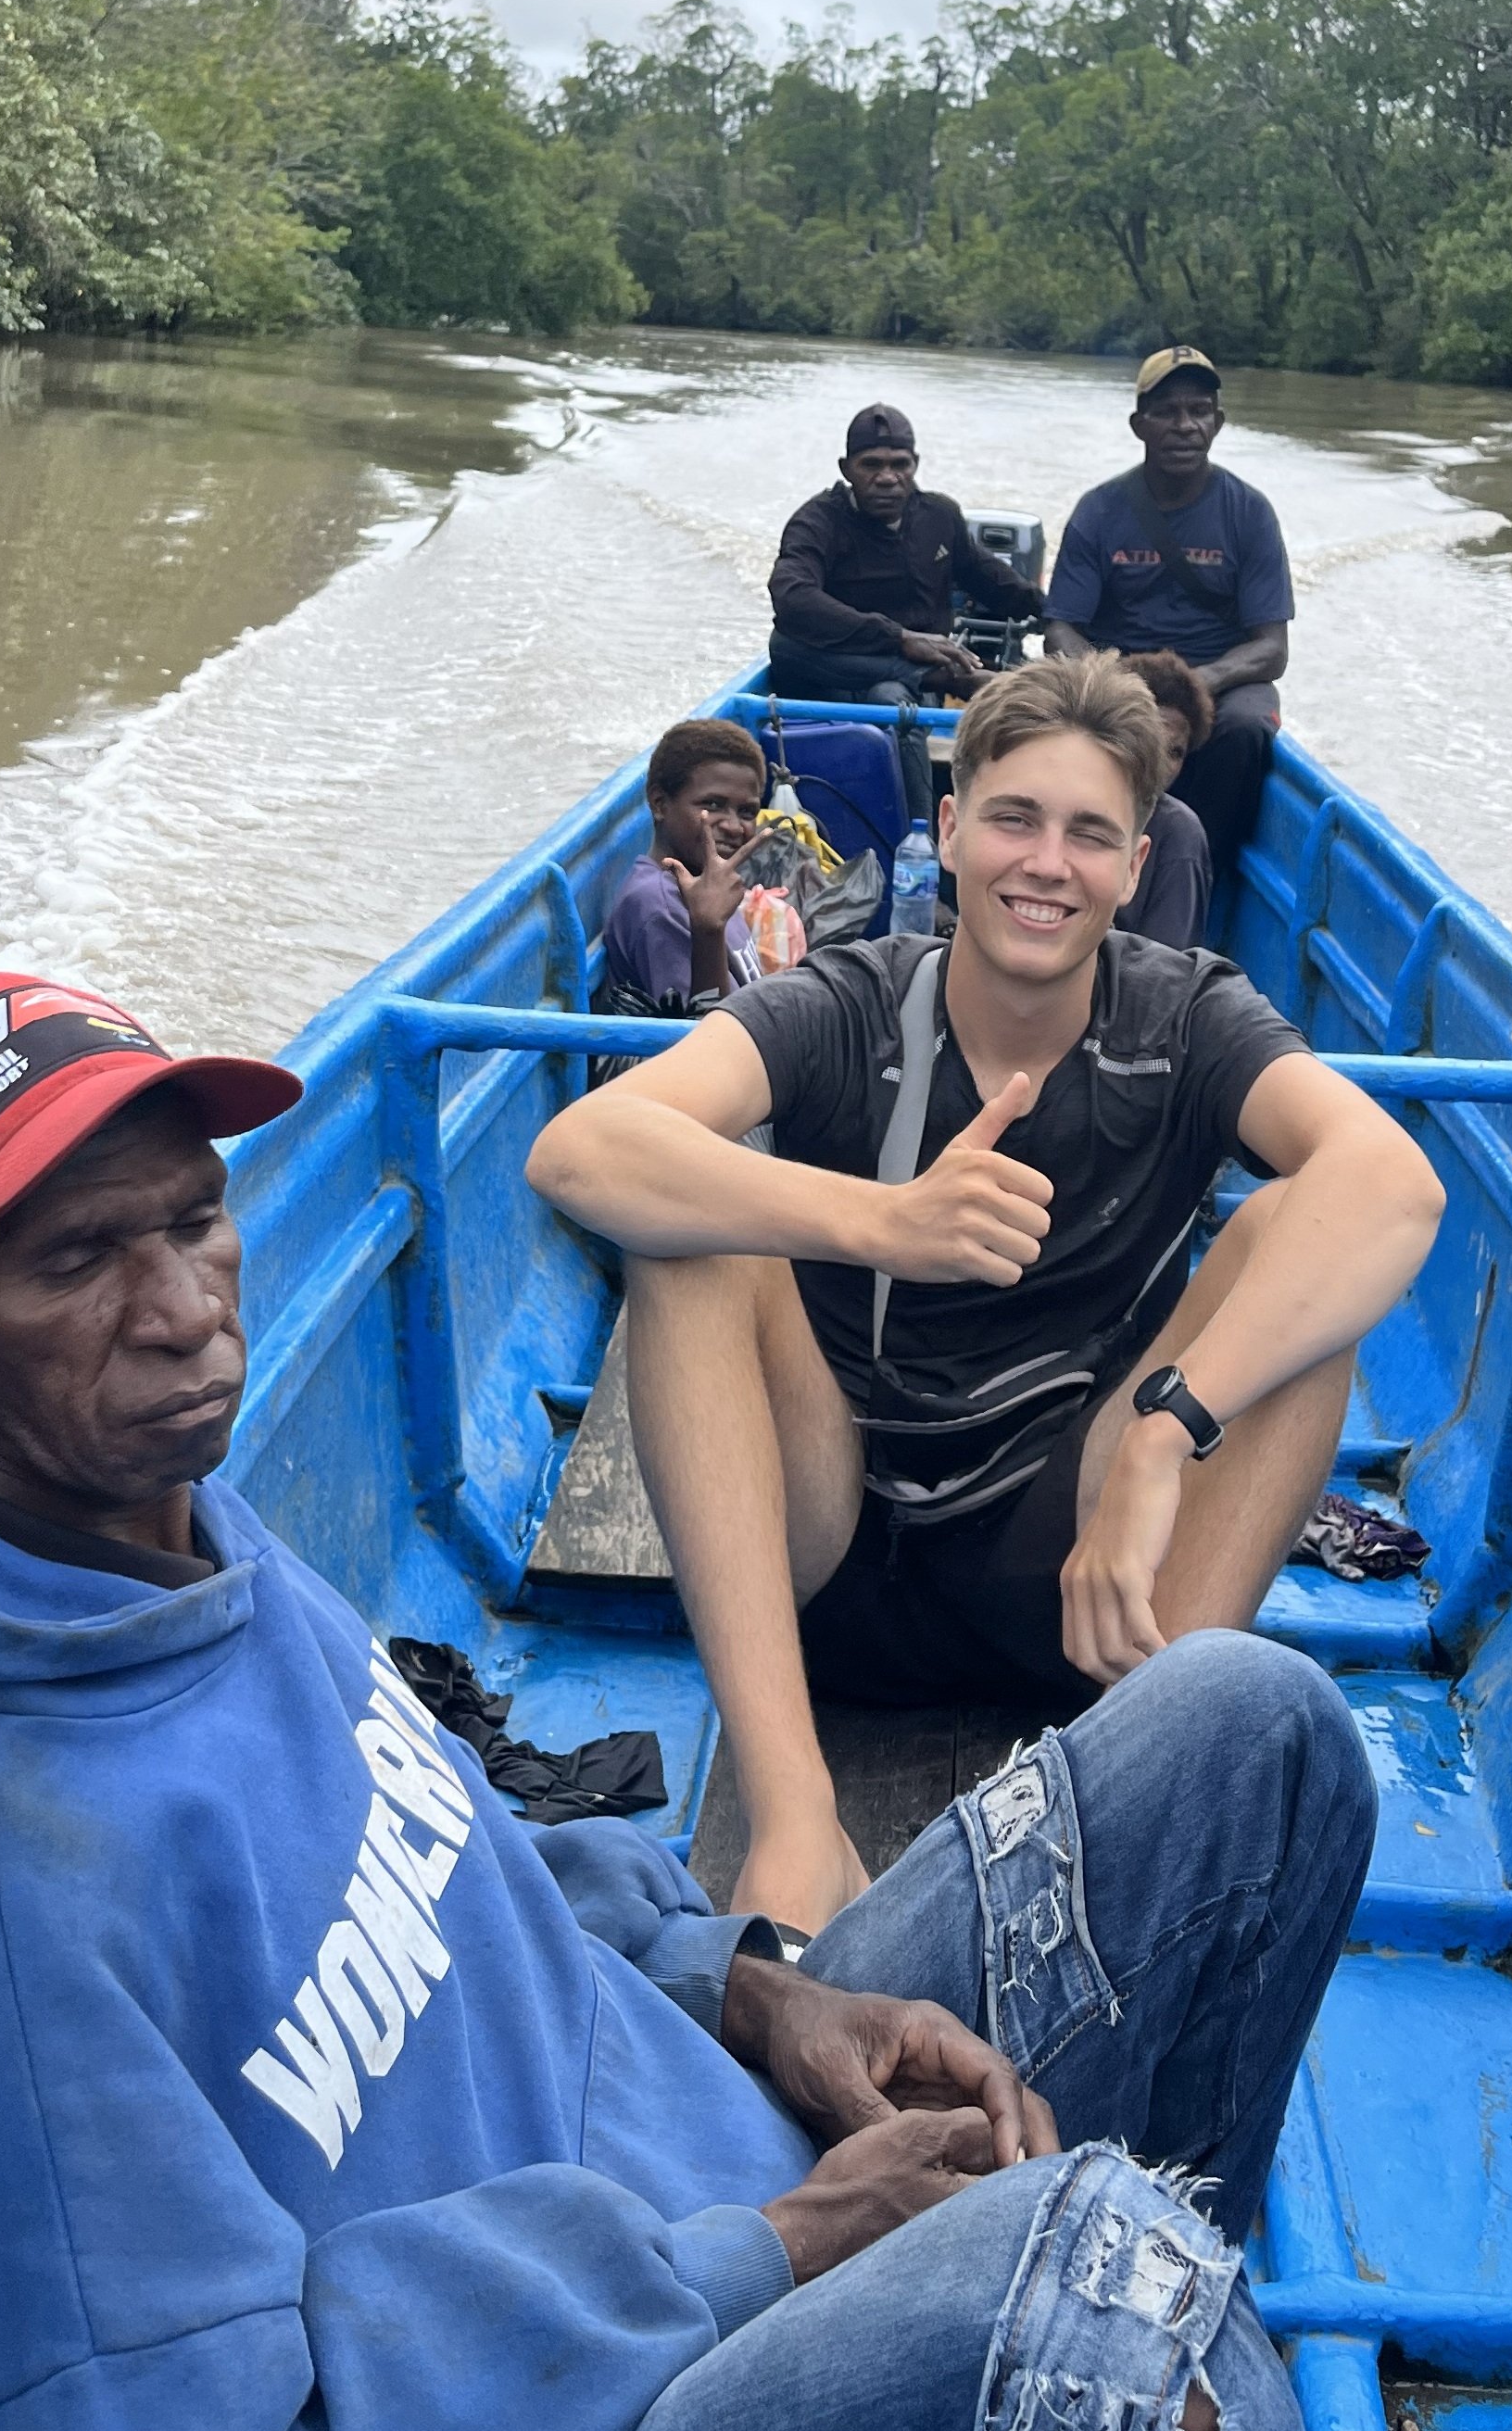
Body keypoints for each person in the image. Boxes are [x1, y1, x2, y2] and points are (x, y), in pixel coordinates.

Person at [0, 968, 1512, 2431]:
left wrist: (749, 1996)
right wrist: (778, 2252)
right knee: (1092, 2261)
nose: (181, 1307)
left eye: (191, 1218)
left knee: (1253, 1736)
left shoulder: (179, 1544)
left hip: (717, 2164)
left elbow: (474, 1865)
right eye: (78, 1261)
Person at [527, 655, 1445, 1943]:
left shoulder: (1189, 1020)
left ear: (1137, 866)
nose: (1047, 865)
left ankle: (1145, 1775)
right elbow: (579, 1152)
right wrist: (880, 1220)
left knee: (1311, 1257)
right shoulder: (849, 1003)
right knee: (685, 1221)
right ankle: (797, 1814)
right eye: (1013, 819)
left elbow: (1393, 1191)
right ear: (951, 834)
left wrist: (1163, 1436)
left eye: (1090, 835)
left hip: (1083, 1583)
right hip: (831, 1552)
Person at [1047, 346, 1292, 885]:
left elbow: (1271, 648)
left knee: (1247, 729)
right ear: (1140, 425)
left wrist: (1198, 685)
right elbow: (1061, 628)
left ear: (1218, 423)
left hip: (1216, 675)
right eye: (1168, 412)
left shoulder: (1249, 513)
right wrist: (1110, 684)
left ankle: (1203, 874)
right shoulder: (1100, 510)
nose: (1186, 426)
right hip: (1117, 671)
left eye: (1199, 411)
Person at [768, 400, 1045, 823]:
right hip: (836, 680)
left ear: (915, 464)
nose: (887, 478)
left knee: (893, 699)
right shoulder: (818, 521)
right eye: (871, 465)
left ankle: (919, 844)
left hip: (917, 686)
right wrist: (900, 640)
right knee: (788, 646)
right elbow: (791, 596)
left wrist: (1063, 615)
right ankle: (918, 844)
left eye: (900, 464)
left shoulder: (939, 516)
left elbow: (993, 581)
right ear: (846, 468)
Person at [605, 719, 773, 1008]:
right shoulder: (661, 906)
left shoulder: (711, 885)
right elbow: (709, 1038)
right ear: (659, 803)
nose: (734, 827)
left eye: (747, 811)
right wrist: (708, 928)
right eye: (712, 805)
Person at [1122, 649, 1216, 951]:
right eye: (1151, 742)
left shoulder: (1178, 835)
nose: (1160, 764)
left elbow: (1162, 970)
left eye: (1175, 753)